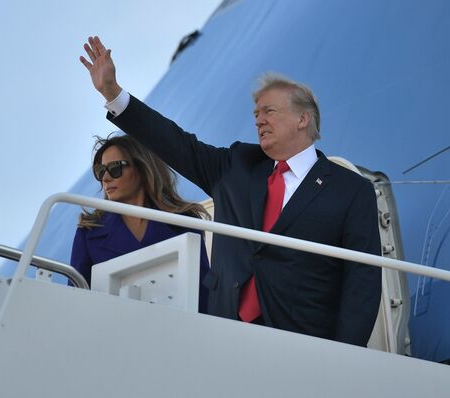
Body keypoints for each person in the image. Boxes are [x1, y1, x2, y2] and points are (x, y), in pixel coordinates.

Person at [79, 36, 382, 347]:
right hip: (228, 338)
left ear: (303, 118)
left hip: (305, 343)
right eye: (256, 114)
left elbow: (363, 282)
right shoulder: (236, 166)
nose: (259, 120)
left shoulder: (351, 190)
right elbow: (175, 143)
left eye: (269, 111)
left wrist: (346, 356)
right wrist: (114, 94)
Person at [70, 134, 211, 313]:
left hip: (179, 331)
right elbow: (76, 302)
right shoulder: (89, 232)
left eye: (115, 168)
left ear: (143, 167)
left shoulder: (184, 222)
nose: (105, 178)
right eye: (100, 171)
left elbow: (203, 295)